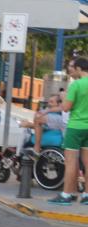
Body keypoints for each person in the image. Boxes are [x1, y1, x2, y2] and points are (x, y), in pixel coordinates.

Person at [49, 56, 88, 206]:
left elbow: (66, 107)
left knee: (71, 162)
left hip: (75, 127)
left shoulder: (76, 85)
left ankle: (66, 195)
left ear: (79, 68)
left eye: (73, 67)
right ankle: (86, 195)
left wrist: (64, 97)